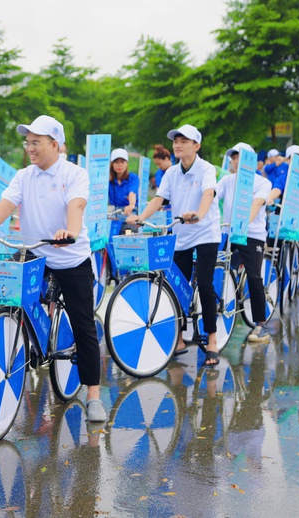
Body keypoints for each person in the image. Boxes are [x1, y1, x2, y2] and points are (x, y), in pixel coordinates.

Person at [0, 115, 106, 422]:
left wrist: (70, 232)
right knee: (18, 302)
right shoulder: (24, 176)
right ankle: (34, 346)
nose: (30, 148)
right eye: (27, 142)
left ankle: (94, 394)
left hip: (71, 258)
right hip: (36, 254)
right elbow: (7, 203)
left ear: (55, 144)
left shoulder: (75, 173)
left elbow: (77, 205)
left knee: (83, 324)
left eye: (36, 142)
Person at [127, 124, 222, 366]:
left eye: (184, 141)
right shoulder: (171, 173)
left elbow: (208, 193)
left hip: (205, 233)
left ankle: (212, 339)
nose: (177, 145)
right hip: (181, 234)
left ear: (196, 146)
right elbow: (159, 198)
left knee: (204, 283)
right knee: (176, 286)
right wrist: (142, 217)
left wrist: (199, 214)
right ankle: (178, 338)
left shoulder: (205, 169)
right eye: (175, 141)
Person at [216, 143, 272, 343]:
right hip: (229, 232)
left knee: (254, 276)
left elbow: (257, 204)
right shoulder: (227, 180)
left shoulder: (262, 183)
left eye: (240, 157)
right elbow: (213, 196)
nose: (236, 161)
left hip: (252, 233)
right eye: (233, 157)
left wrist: (242, 224)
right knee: (218, 269)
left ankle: (260, 324)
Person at [108, 148, 139, 234]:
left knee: (128, 238)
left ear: (127, 164)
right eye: (116, 162)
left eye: (122, 162)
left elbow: (132, 193)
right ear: (112, 164)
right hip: (114, 216)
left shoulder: (133, 178)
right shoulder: (108, 180)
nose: (119, 165)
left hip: (129, 216)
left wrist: (131, 205)